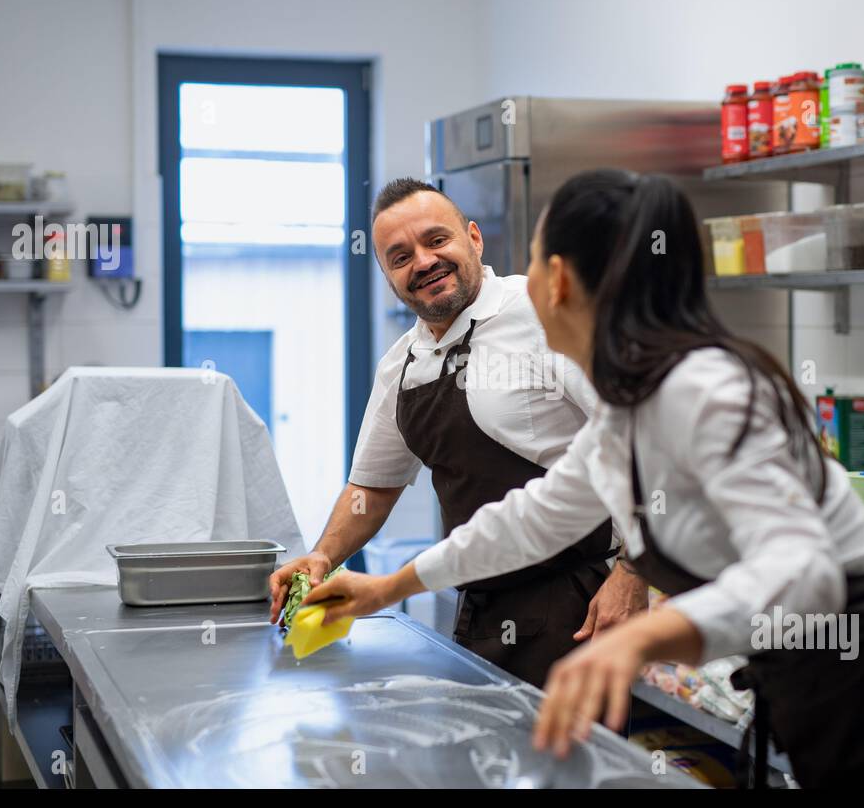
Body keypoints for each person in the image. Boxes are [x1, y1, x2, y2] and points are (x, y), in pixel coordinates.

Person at [300, 169, 864, 789]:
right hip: (832, 710)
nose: (518, 281)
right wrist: (387, 586)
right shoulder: (629, 412)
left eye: (530, 260)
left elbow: (802, 569)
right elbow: (529, 518)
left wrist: (636, 639)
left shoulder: (704, 386)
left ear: (559, 281)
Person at [267, 178, 647, 689]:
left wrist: (633, 573)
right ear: (388, 277)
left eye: (436, 240)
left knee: (568, 765)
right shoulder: (401, 365)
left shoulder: (543, 314)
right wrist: (323, 556)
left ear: (474, 238)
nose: (422, 262)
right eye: (399, 257)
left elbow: (641, 436)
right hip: (478, 606)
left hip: (577, 604)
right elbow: (372, 488)